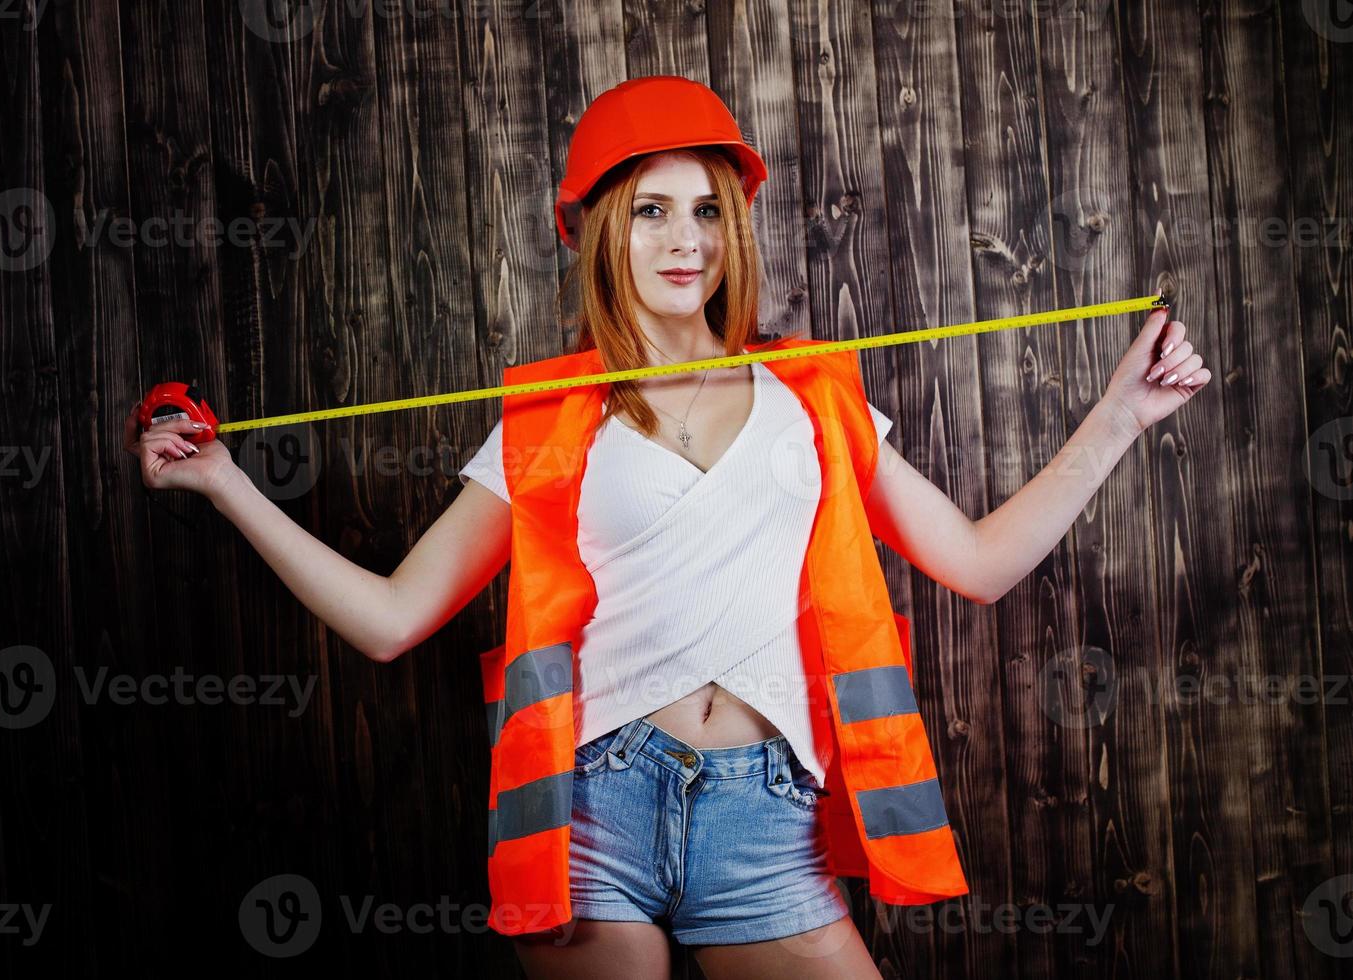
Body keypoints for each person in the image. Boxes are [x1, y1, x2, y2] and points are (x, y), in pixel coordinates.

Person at [124, 76, 1209, 979]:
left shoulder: (815, 396)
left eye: (705, 210)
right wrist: (226, 482)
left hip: (764, 813)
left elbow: (978, 561)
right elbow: (391, 617)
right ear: (601, 228)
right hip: (594, 810)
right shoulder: (551, 416)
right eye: (651, 209)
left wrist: (1122, 414)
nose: (684, 239)